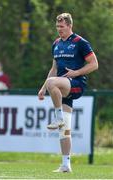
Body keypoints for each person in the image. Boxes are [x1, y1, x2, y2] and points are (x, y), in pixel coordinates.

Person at [38, 13, 98, 173]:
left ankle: (57, 117)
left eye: (62, 27)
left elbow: (94, 64)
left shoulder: (80, 42)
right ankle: (66, 164)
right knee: (64, 130)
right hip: (62, 86)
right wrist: (43, 88)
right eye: (57, 27)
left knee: (53, 83)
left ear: (70, 26)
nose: (59, 30)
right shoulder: (56, 43)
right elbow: (54, 69)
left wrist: (76, 72)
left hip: (77, 84)